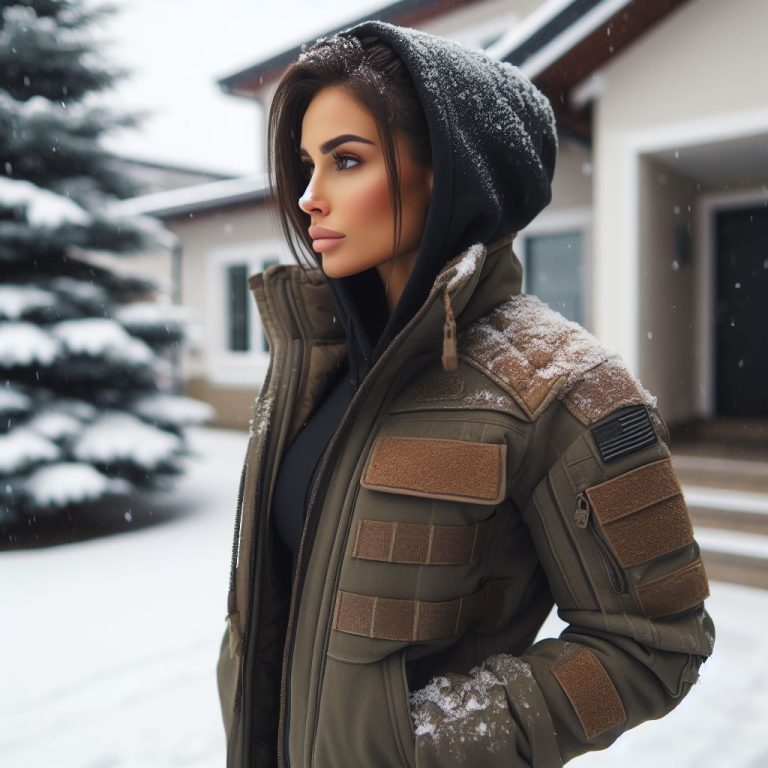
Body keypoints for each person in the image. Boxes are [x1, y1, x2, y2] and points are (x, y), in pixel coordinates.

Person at [216, 20, 715, 768]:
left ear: (448, 173)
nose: (310, 197)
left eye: (347, 161)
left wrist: (420, 743)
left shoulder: (565, 387)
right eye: (307, 165)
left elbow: (656, 644)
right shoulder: (313, 362)